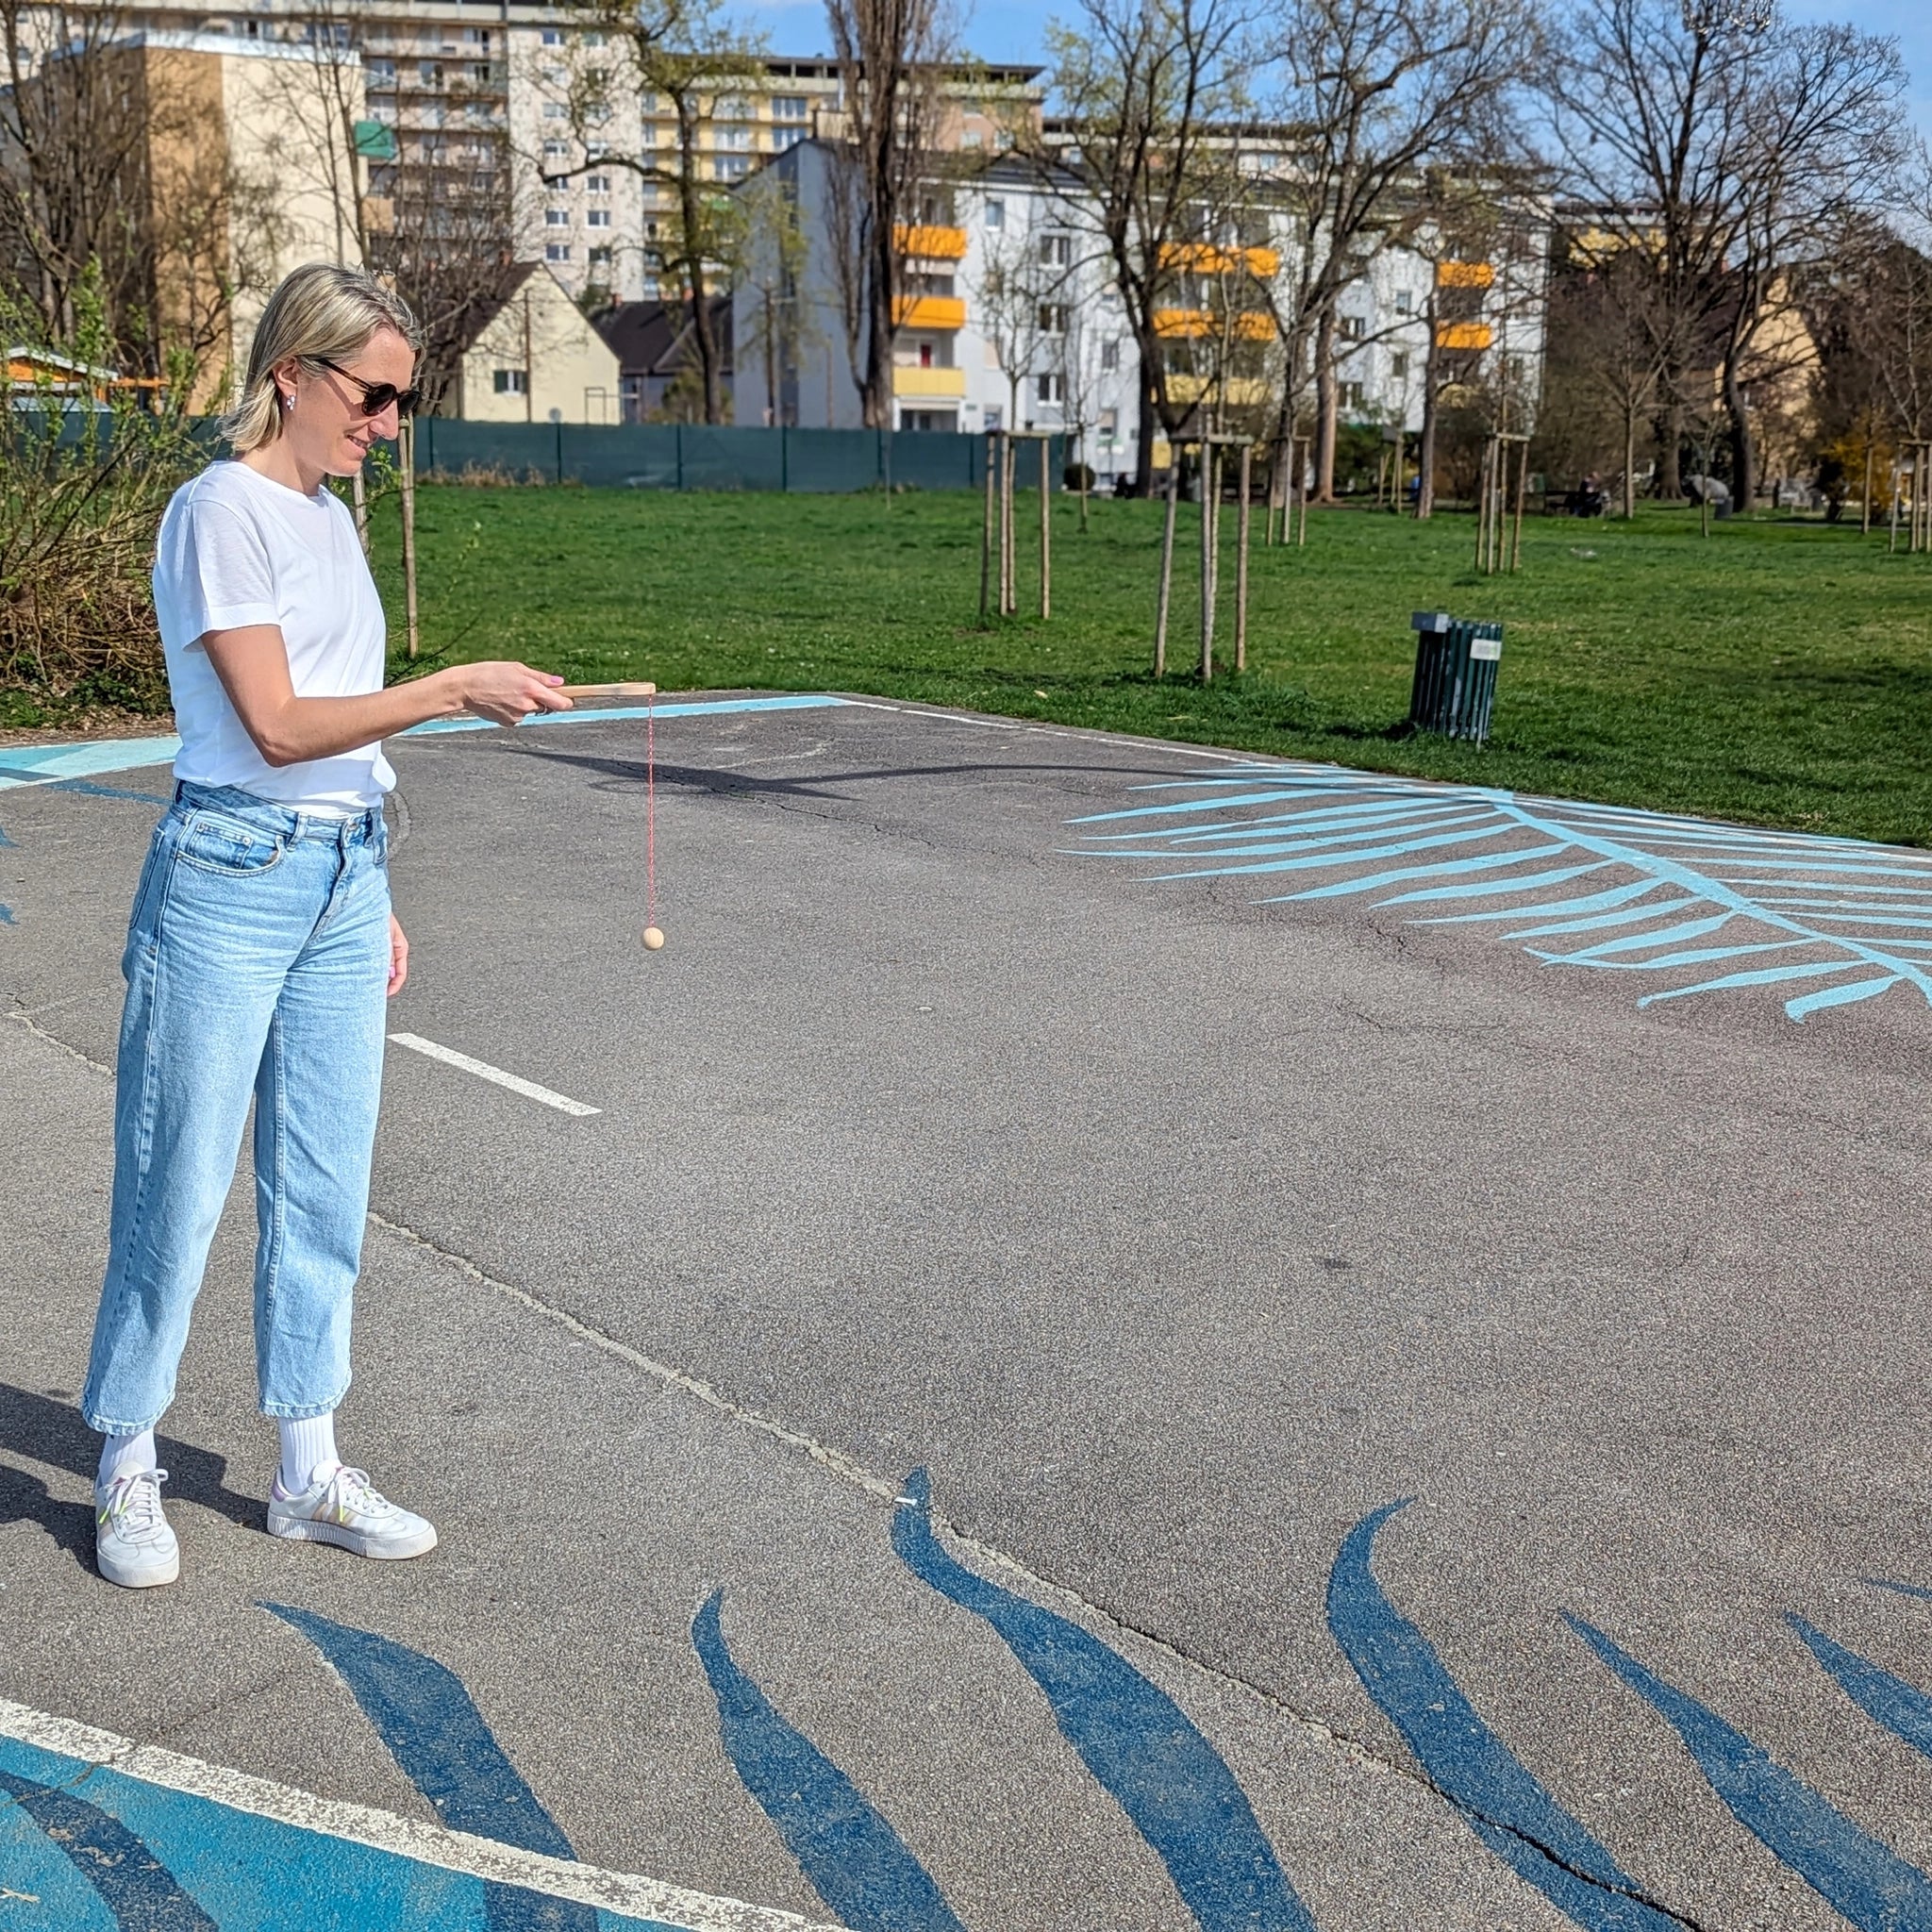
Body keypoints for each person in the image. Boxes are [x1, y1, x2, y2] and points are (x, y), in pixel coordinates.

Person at [83, 263, 571, 1589]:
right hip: (231, 878)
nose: (390, 422)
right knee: (176, 1182)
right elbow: (279, 726)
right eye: (375, 395)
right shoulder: (219, 511)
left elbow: (338, 747)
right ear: (292, 374)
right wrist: (452, 686)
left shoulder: (331, 524)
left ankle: (306, 1469)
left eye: (403, 400)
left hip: (341, 880)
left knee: (324, 1186)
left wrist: (376, 885)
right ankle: (128, 1457)